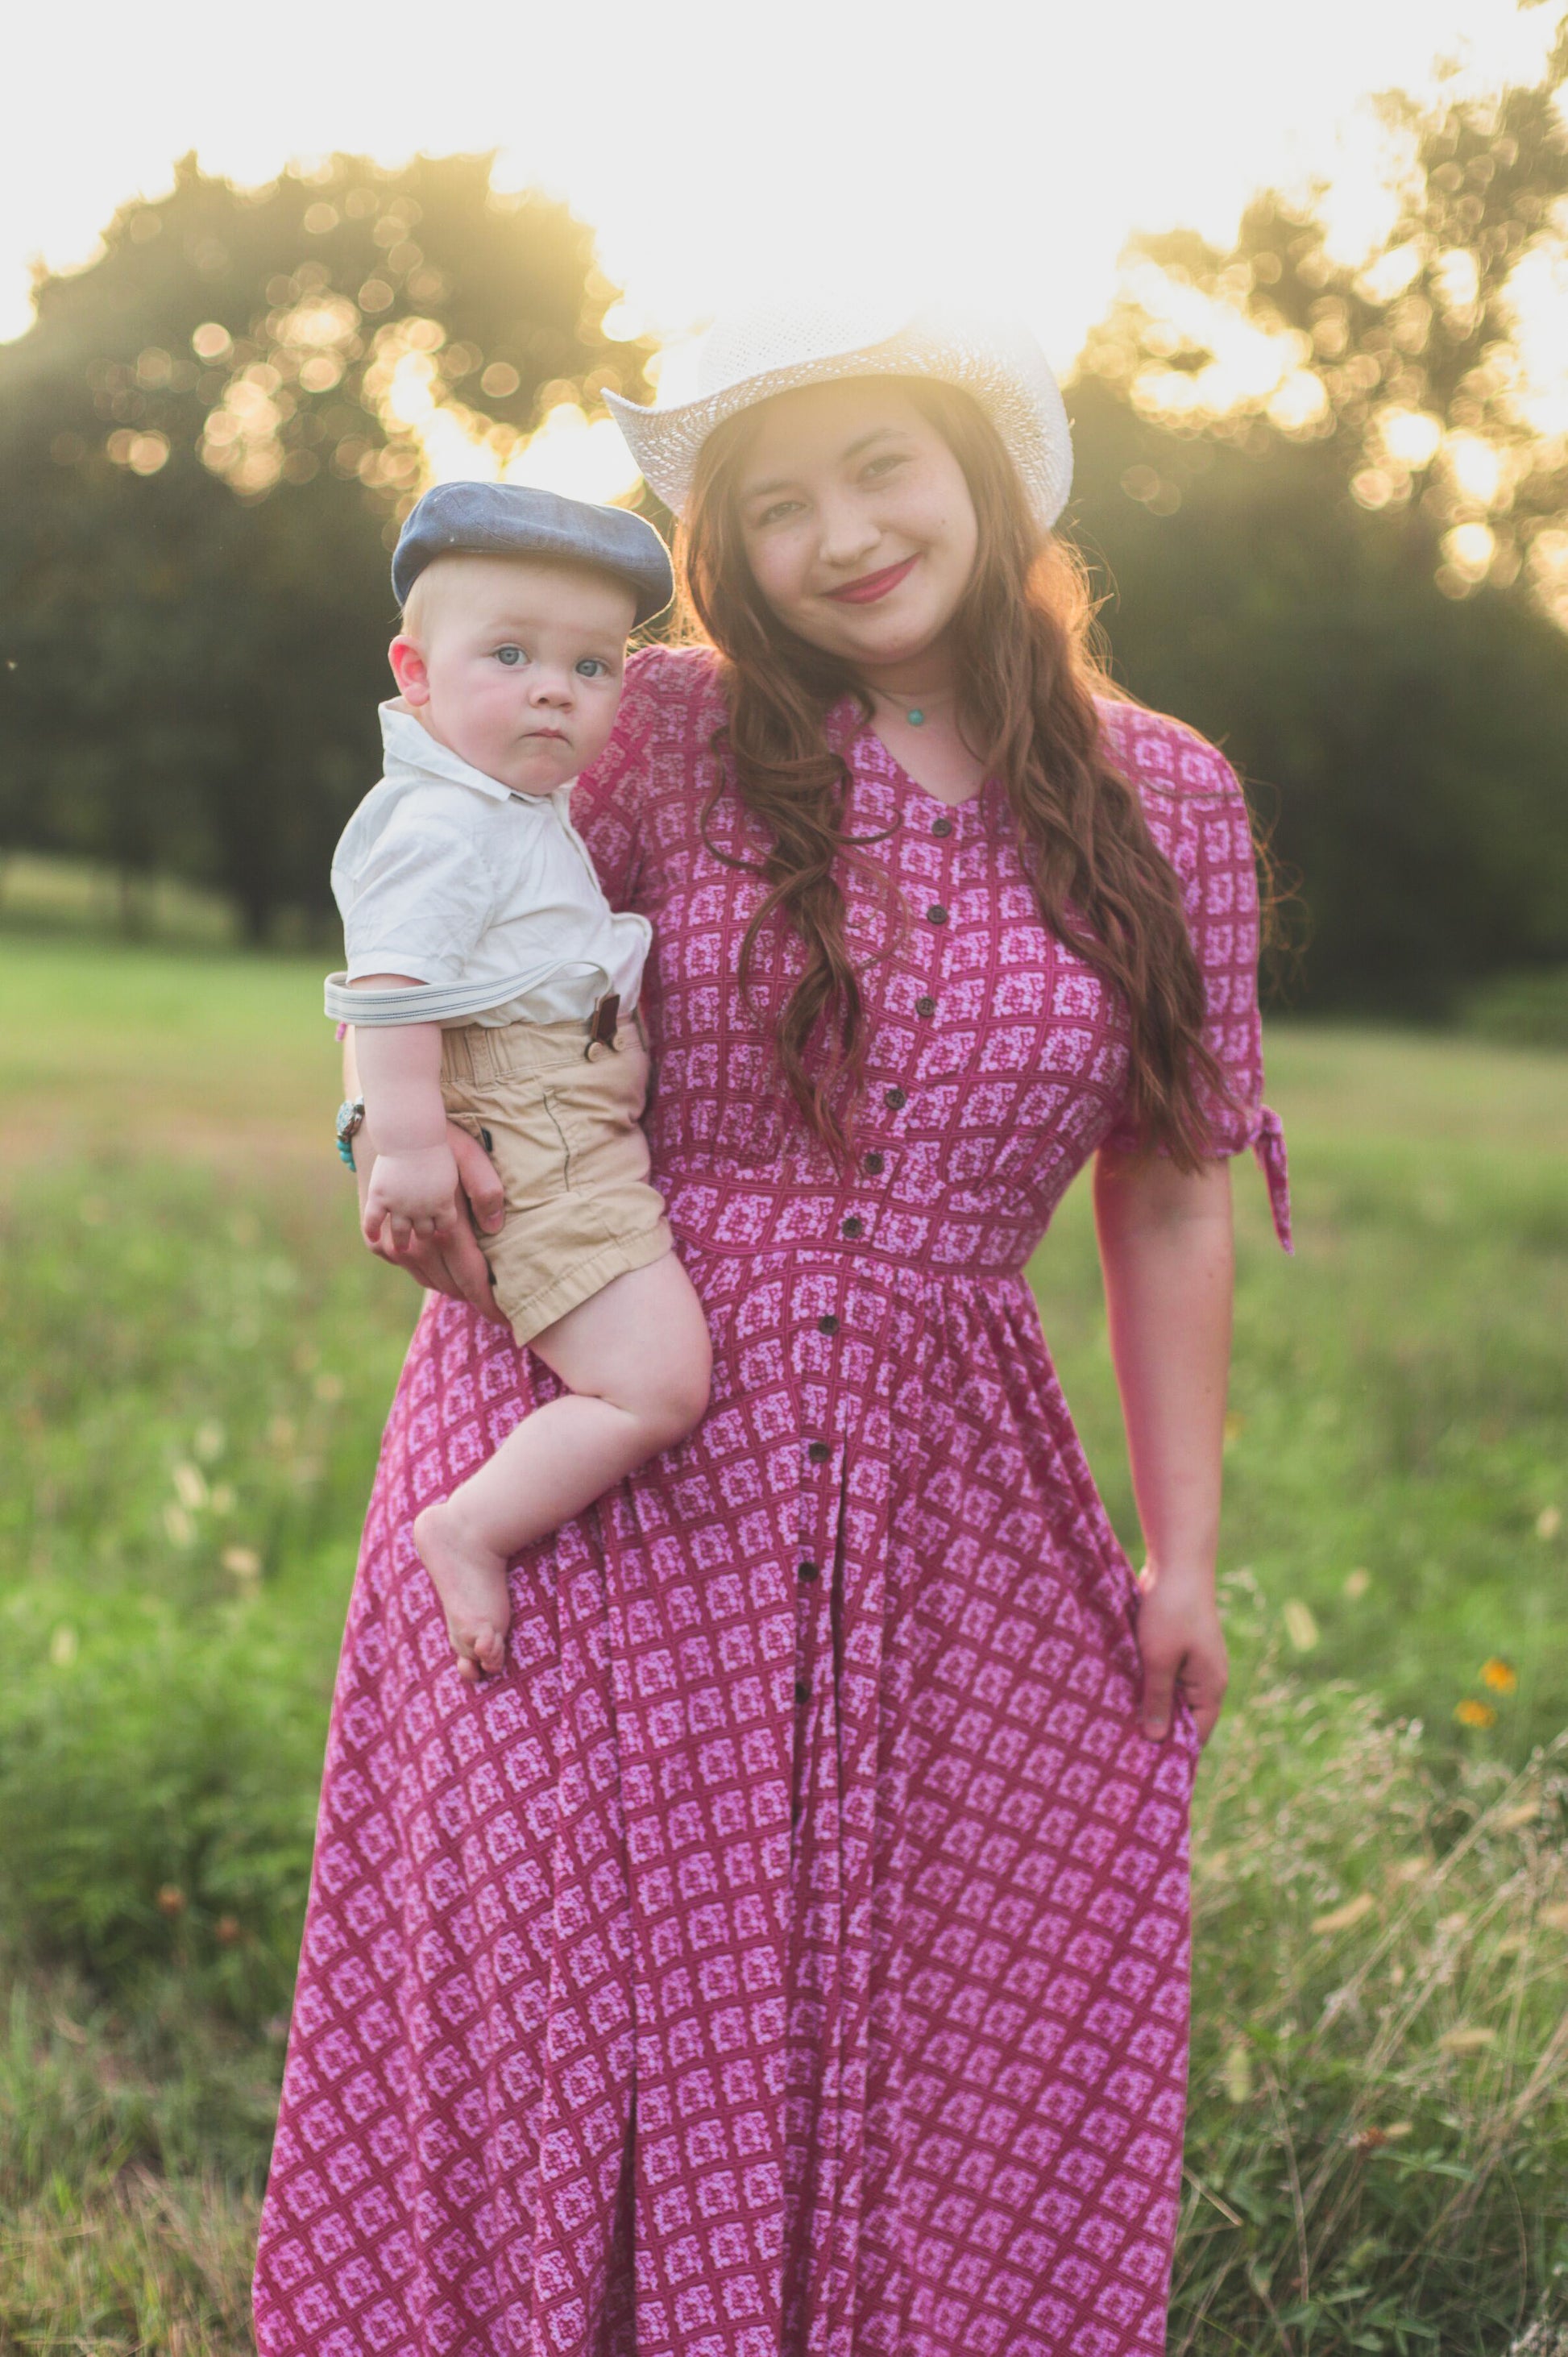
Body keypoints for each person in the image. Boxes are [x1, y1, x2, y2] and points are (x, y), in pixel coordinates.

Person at [255, 297, 1292, 2357]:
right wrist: (394, 1126)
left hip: (938, 1479)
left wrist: (1179, 1550)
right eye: (780, 500)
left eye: (883, 469)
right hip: (589, 1409)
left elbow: (1171, 1183)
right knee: (563, 2003)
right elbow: (439, 898)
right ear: (723, 538)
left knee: (913, 2006)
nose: (843, 536)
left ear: (988, 473)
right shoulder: (645, 725)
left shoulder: (1161, 799)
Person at [324, 483, 711, 1682]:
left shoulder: (508, 806)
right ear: (416, 670)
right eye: (510, 654)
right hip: (537, 1131)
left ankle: (479, 1515)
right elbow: (389, 988)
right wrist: (401, 1145)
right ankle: (471, 1522)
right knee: (655, 1385)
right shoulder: (448, 821)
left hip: (568, 1119)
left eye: (593, 666)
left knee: (650, 1375)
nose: (556, 687)